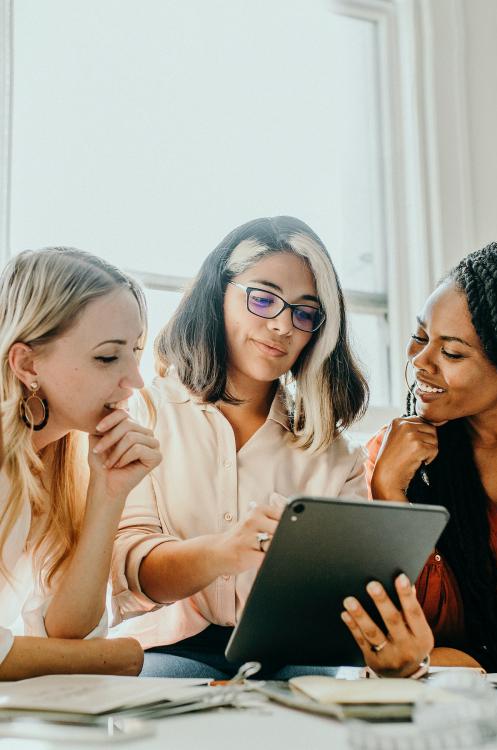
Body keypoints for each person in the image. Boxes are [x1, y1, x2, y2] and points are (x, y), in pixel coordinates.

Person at [112, 216, 433, 679]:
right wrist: (224, 551)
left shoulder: (334, 454)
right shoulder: (144, 412)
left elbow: (349, 596)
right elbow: (133, 569)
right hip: (166, 652)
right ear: (218, 295)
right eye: (263, 299)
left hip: (297, 660)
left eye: (304, 313)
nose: (283, 325)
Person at [0, 247, 161, 680]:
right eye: (108, 357)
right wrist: (120, 657)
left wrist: (108, 495)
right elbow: (86, 654)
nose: (136, 380)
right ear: (27, 364)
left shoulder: (55, 462)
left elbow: (69, 631)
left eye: (135, 350)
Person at [366, 241, 497, 672]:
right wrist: (388, 490)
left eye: (453, 352)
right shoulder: (391, 456)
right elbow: (395, 632)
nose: (421, 362)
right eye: (420, 337)